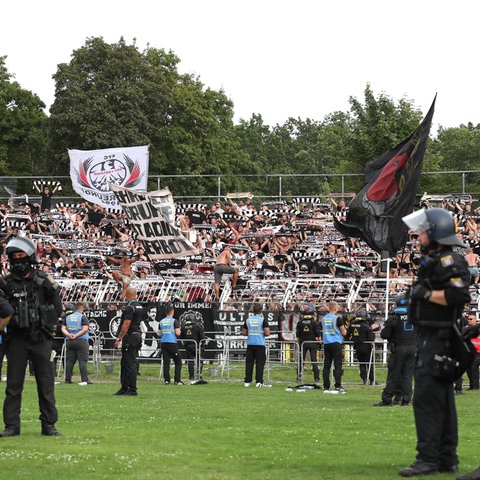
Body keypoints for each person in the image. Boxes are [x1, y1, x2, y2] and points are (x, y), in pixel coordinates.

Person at [399, 208, 471, 477]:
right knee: (441, 400)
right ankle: (446, 458)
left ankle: (428, 458)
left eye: (423, 231)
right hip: (432, 336)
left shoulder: (450, 260)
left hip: (439, 339)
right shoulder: (436, 258)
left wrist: (426, 293)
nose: (418, 236)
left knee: (426, 399)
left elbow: (457, 296)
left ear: (437, 232)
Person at [0, 236, 63, 437]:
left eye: (21, 255)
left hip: (41, 338)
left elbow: (57, 308)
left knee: (45, 383)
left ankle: (48, 425)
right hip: (17, 339)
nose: (18, 259)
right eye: (14, 256)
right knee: (13, 385)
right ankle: (11, 426)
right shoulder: (6, 284)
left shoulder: (44, 281)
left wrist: (46, 325)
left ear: (30, 256)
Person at [374, 292, 416, 406]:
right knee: (407, 376)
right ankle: (406, 400)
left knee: (393, 375)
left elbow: (384, 335)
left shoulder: (394, 318)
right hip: (412, 348)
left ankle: (387, 399)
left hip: (398, 349)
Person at [113, 287, 144, 396]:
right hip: (137, 335)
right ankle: (125, 387)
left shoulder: (130, 307)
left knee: (129, 363)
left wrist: (119, 339)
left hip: (130, 336)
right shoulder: (139, 306)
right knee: (126, 362)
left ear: (127, 295)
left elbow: (126, 324)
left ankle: (131, 388)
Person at [61, 302, 92, 385]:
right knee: (82, 361)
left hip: (70, 341)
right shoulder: (82, 317)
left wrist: (69, 335)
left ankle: (68, 379)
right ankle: (84, 379)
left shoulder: (67, 317)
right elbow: (85, 329)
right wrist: (76, 335)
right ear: (81, 308)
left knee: (70, 361)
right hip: (81, 341)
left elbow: (63, 328)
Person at [321, 301, 347, 393]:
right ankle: (338, 385)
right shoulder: (337, 319)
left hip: (326, 343)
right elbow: (343, 332)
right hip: (336, 342)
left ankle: (326, 386)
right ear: (336, 309)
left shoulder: (323, 318)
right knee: (338, 365)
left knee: (326, 365)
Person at [242, 302, 271, 387]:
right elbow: (267, 333)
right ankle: (259, 382)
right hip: (260, 344)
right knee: (260, 363)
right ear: (261, 311)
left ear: (253, 311)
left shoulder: (248, 320)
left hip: (250, 344)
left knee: (249, 363)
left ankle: (247, 381)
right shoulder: (262, 320)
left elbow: (244, 333)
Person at [346, 309, 375, 385]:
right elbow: (370, 337)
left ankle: (364, 379)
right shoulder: (366, 326)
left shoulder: (352, 325)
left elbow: (347, 335)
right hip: (366, 347)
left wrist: (351, 340)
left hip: (357, 347)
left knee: (361, 363)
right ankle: (371, 380)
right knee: (370, 364)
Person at [158, 304, 183, 385]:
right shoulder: (174, 321)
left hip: (163, 343)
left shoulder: (161, 321)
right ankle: (177, 380)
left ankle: (167, 380)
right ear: (172, 312)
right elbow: (178, 333)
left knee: (166, 362)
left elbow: (159, 333)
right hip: (172, 342)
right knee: (178, 361)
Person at [295, 303, 321, 383]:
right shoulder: (314, 323)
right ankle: (316, 377)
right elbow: (318, 335)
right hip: (312, 342)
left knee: (301, 360)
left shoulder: (300, 322)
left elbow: (298, 335)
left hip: (303, 343)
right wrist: (320, 343)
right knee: (314, 360)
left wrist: (299, 344)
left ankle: (299, 375)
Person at [180, 312, 206, 382]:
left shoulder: (183, 327)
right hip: (197, 346)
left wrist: (185, 344)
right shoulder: (197, 326)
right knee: (199, 360)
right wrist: (203, 344)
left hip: (188, 346)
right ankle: (199, 375)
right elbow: (202, 337)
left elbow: (181, 337)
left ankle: (191, 376)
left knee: (190, 361)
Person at [466, 310, 480, 390]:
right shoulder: (466, 329)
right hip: (469, 353)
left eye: (471, 319)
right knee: (468, 367)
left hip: (478, 353)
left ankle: (475, 386)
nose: (469, 320)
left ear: (475, 319)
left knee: (473, 365)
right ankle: (472, 385)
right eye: (468, 319)